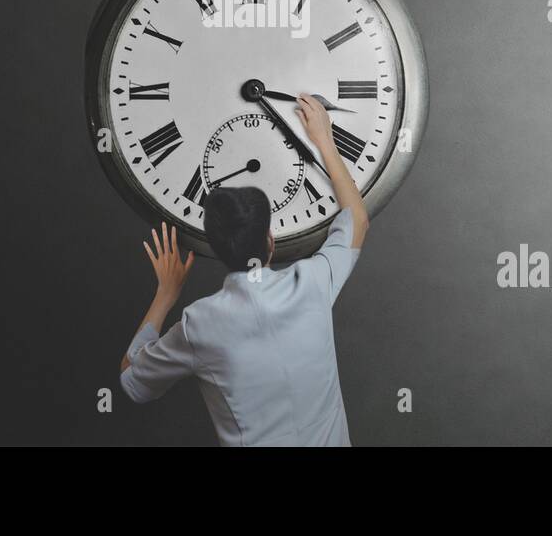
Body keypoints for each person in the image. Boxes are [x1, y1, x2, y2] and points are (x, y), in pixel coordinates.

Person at [118, 93, 369, 446]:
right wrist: (323, 140)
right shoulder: (312, 283)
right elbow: (356, 219)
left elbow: (133, 383)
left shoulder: (198, 325)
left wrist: (165, 294)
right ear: (270, 240)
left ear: (217, 250)